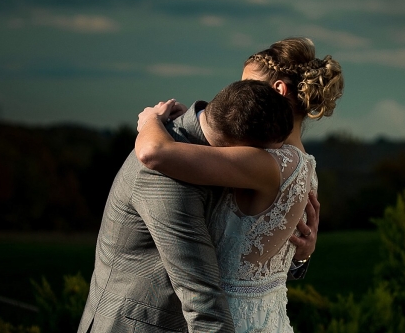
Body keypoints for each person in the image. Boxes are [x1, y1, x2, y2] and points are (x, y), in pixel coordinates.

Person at [134, 37, 344, 332]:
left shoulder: (265, 163)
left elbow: (153, 153)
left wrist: (150, 121)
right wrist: (302, 256)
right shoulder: (306, 165)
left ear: (278, 90)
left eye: (247, 85)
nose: (239, 93)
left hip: (228, 320)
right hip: (269, 318)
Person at [78, 80, 311, 333]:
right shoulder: (168, 177)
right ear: (239, 148)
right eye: (263, 155)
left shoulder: (213, 144)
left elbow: (237, 252)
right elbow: (203, 303)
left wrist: (298, 253)